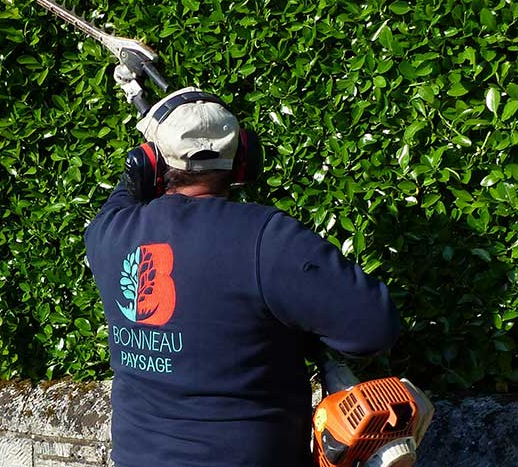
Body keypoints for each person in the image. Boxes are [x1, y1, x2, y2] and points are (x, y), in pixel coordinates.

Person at [83, 80, 400, 467]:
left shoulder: (107, 234)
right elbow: (373, 329)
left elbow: (128, 189)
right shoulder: (266, 239)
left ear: (151, 163)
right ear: (244, 159)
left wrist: (147, 158)